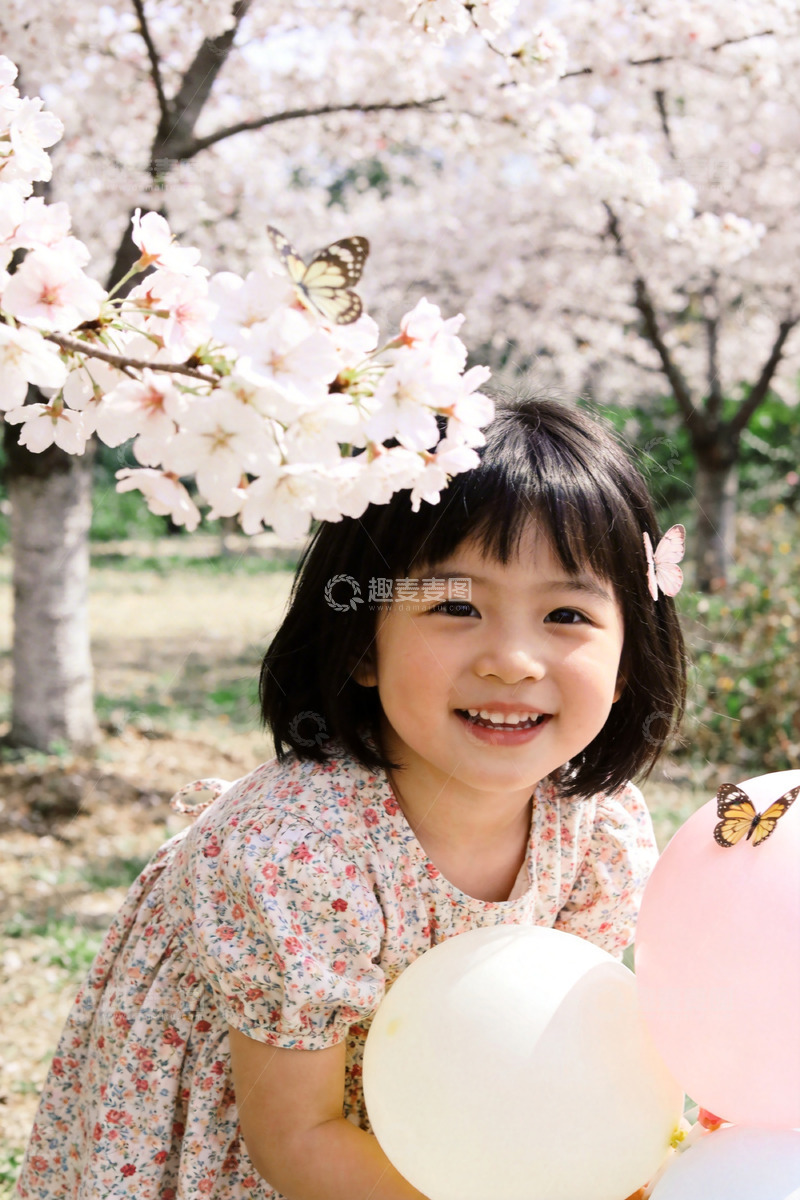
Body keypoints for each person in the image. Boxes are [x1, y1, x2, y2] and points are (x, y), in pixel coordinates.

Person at [16, 396, 686, 1200]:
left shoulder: (598, 834)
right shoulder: (295, 852)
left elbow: (552, 1053)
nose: (512, 659)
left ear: (626, 665)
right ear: (364, 641)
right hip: (271, 1139)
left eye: (567, 614)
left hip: (433, 1121)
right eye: (455, 606)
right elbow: (295, 1137)